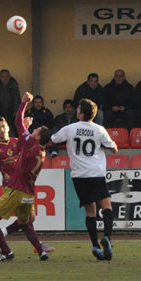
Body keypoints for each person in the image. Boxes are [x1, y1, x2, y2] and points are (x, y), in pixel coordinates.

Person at [0, 92, 52, 262]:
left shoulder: (28, 143)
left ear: (37, 136)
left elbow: (17, 123)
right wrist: (27, 128)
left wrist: (23, 103)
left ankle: (6, 251)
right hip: (29, 192)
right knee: (25, 222)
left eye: (36, 130)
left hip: (16, 189)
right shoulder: (40, 150)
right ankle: (41, 250)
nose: (33, 129)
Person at [51, 98, 118, 261]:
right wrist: (106, 145)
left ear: (80, 114)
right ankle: (107, 237)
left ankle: (95, 245)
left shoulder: (70, 129)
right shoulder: (99, 130)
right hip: (96, 173)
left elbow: (53, 139)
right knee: (106, 206)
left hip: (79, 176)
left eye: (78, 109)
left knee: (90, 211)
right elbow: (114, 149)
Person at [0, 69, 21, 134]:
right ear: (0, 78)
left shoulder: (14, 85)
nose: (5, 79)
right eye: (2, 77)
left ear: (9, 77)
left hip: (11, 113)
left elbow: (16, 100)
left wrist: (15, 112)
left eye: (6, 76)